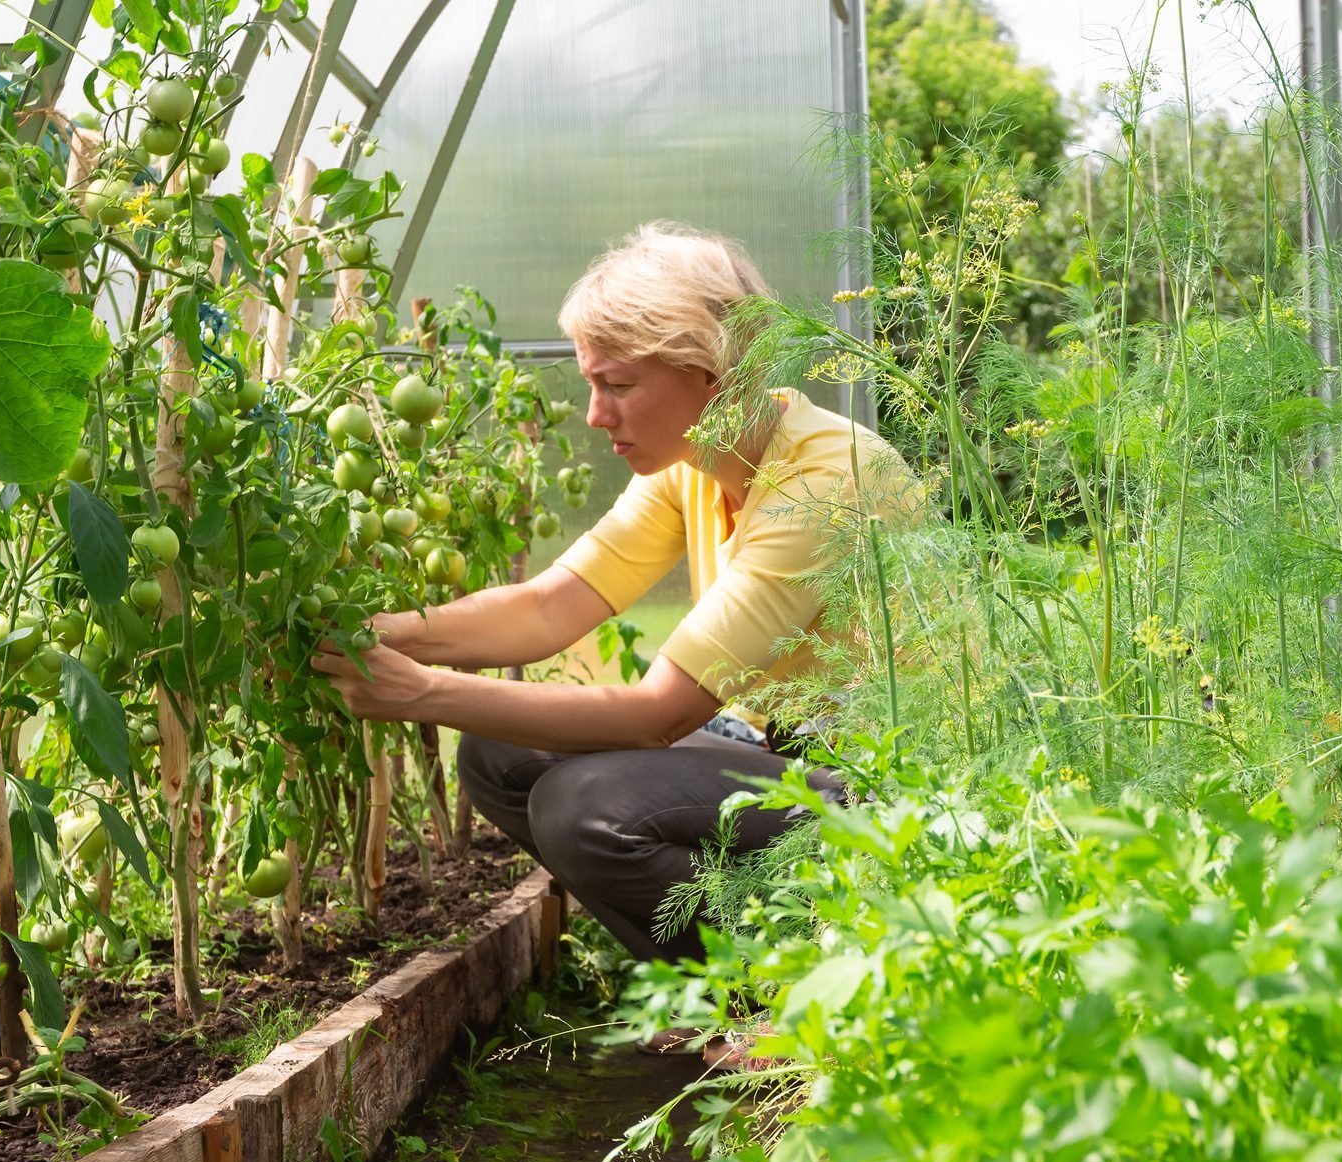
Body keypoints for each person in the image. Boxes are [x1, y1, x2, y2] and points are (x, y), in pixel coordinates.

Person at [314, 221, 911, 973]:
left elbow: (661, 715)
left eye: (617, 385)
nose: (596, 415)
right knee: (501, 756)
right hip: (776, 758)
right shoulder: (693, 463)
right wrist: (377, 635)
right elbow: (549, 607)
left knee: (587, 808)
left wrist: (422, 693)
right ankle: (723, 984)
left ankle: (798, 986)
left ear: (713, 370)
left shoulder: (826, 482)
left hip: (885, 793)